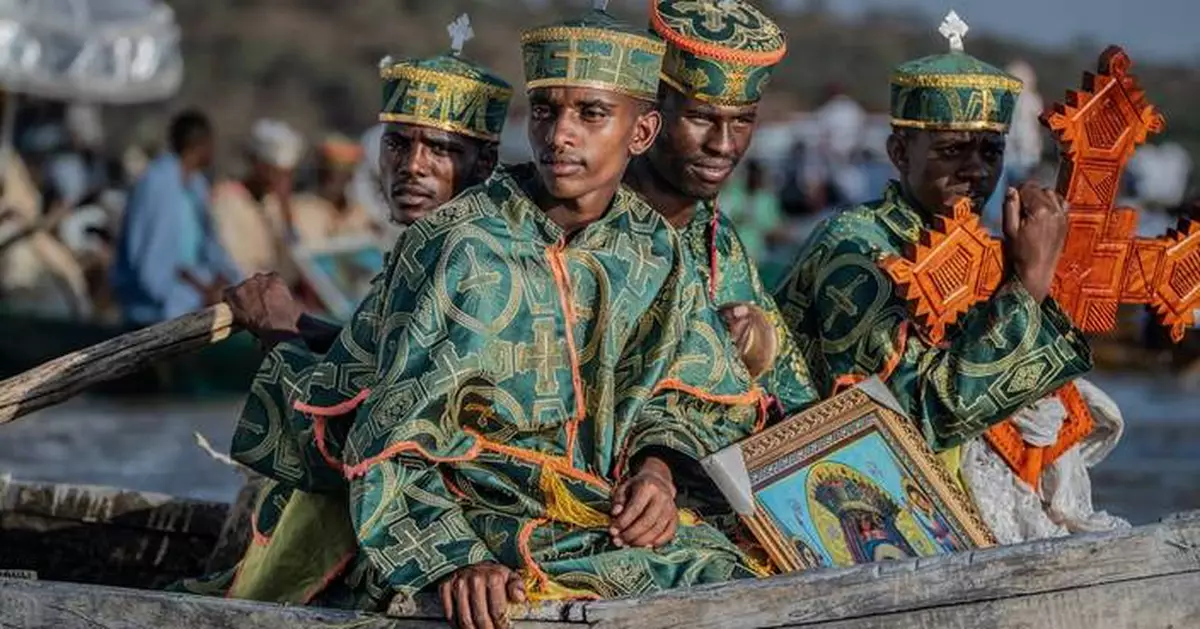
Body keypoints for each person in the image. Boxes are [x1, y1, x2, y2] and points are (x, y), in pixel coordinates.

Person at [229, 6, 768, 626]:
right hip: (479, 516)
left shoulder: (653, 247)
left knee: (728, 566)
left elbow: (701, 395)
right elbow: (386, 434)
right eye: (545, 111)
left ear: (641, 132)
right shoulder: (459, 244)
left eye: (590, 114)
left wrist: (657, 474)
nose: (559, 135)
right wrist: (452, 560)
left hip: (597, 513)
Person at [172, 14, 514, 606]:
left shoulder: (461, 260)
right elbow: (383, 360)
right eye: (399, 143)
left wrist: (280, 334)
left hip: (431, 533)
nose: (414, 165)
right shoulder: (431, 250)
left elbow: (358, 436)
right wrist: (307, 329)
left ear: (483, 165)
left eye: (442, 149)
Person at [773, 13, 1122, 543]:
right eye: (952, 150)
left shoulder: (979, 243)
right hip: (858, 508)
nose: (976, 171)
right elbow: (915, 418)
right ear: (898, 153)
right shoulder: (857, 247)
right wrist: (1027, 286)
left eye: (991, 151)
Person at [624, 0, 816, 417]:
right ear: (648, 113)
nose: (724, 145)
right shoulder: (596, 221)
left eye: (743, 122)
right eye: (700, 117)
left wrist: (752, 342)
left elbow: (792, 396)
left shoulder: (720, 239)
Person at [110, 110, 240, 325]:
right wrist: (203, 290)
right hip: (160, 299)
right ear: (199, 145)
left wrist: (221, 279)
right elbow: (153, 263)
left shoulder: (196, 185)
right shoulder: (156, 183)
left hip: (198, 284)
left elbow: (211, 247)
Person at [210, 118, 304, 279]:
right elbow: (233, 262)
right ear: (259, 166)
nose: (281, 181)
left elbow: (298, 255)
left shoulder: (273, 204)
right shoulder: (227, 200)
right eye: (276, 173)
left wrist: (285, 209)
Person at [291, 135, 380, 246]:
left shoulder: (360, 215)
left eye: (344, 172)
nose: (337, 179)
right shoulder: (300, 209)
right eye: (331, 171)